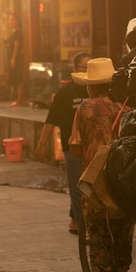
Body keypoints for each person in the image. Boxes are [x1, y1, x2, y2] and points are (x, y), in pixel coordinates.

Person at [69, 57, 135, 272]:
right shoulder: (126, 108)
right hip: (124, 185)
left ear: (89, 87)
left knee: (99, 243)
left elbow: (75, 148)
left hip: (97, 186)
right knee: (122, 239)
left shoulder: (84, 110)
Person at [43, 52, 90, 234]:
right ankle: (84, 228)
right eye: (84, 67)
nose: (87, 71)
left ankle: (74, 221)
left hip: (94, 148)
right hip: (73, 148)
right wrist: (41, 144)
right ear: (75, 69)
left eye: (90, 68)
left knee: (87, 186)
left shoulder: (97, 90)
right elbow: (51, 119)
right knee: (79, 187)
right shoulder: (66, 93)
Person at [7, 14, 25, 106]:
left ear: (17, 21)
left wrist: (13, 58)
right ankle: (19, 99)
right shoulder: (13, 32)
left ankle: (20, 100)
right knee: (15, 78)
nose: (10, 22)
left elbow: (16, 47)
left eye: (12, 20)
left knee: (18, 79)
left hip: (17, 59)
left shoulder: (18, 33)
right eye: (9, 20)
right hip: (14, 58)